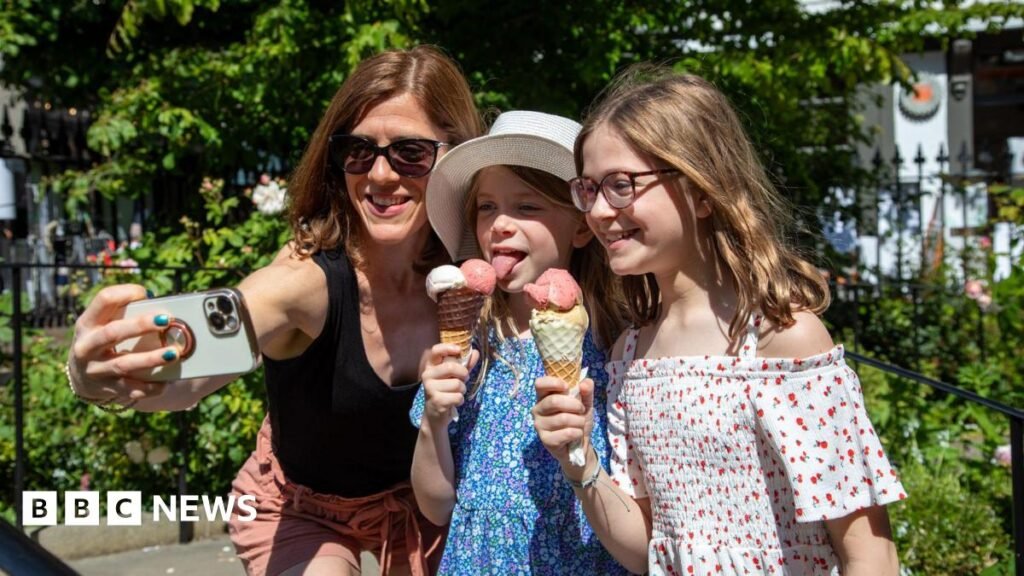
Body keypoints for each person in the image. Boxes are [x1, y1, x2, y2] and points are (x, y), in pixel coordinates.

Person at [65, 45, 484, 576]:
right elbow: (192, 363)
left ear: (456, 156)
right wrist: (101, 372)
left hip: (423, 508)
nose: (379, 174)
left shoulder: (473, 277)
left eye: (410, 153)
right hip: (300, 508)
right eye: (357, 150)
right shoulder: (303, 283)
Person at [532, 68, 907, 576]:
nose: (597, 210)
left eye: (621, 185)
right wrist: (578, 460)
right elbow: (647, 549)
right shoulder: (630, 353)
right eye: (589, 188)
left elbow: (869, 553)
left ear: (704, 190)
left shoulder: (782, 342)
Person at [409, 111, 630, 575]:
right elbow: (436, 506)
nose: (501, 224)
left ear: (582, 227)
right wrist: (433, 418)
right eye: (487, 207)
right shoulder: (471, 349)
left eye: (527, 207)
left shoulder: (614, 345)